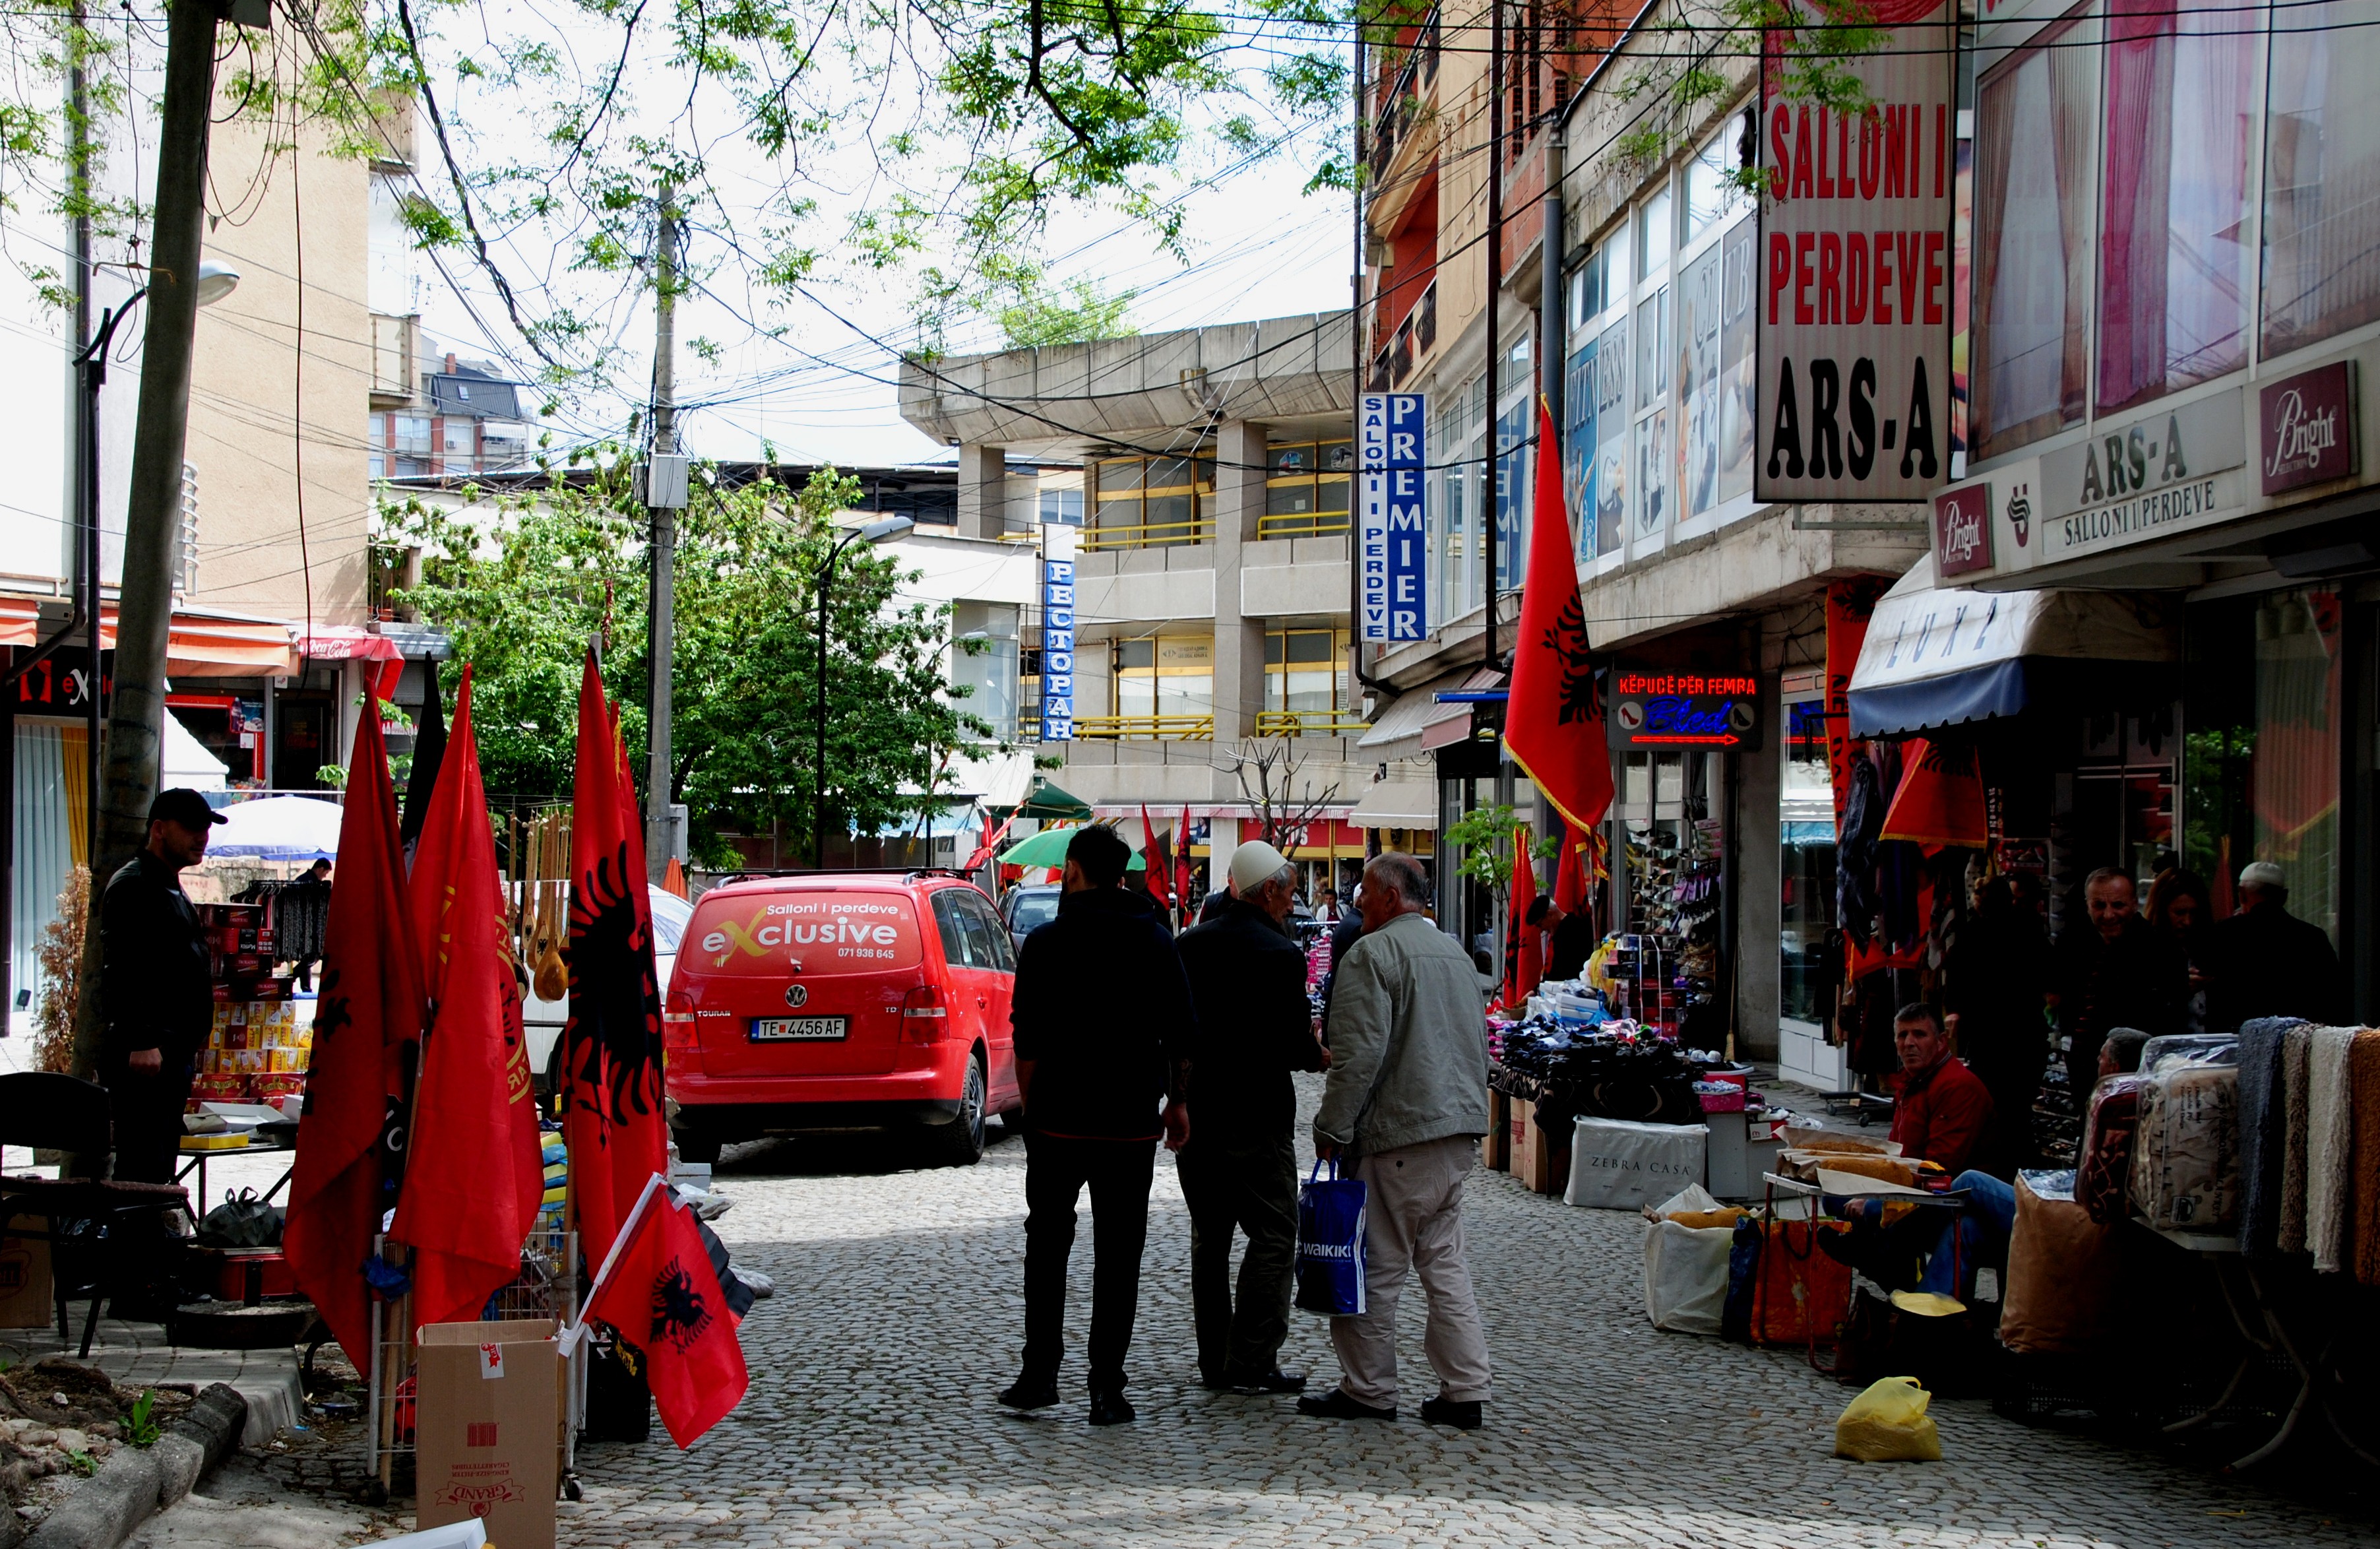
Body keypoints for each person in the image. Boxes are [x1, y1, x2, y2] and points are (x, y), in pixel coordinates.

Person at [1000, 825, 1195, 1426]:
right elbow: (1182, 1035)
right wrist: (1177, 1102)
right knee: (1120, 1254)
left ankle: (1039, 1375)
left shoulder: (1046, 943)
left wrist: (1032, 1105)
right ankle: (1108, 1388)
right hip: (1129, 1124)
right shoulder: (1156, 940)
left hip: (1058, 1121)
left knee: (1047, 1246)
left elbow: (1027, 1038)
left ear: (1075, 871)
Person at [1300, 852, 1493, 1430]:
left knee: (1377, 1267)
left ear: (1389, 895)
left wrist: (1330, 1129)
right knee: (1444, 1265)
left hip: (1399, 1135)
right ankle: (1465, 1389)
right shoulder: (1454, 953)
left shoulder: (1372, 954)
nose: (1356, 900)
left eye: (1364, 890)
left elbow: (1357, 1059)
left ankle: (1369, 1390)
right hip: (1453, 1133)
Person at [1174, 840, 1329, 1395]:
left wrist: (1176, 1099)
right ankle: (1250, 1360)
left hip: (1201, 1114)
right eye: (1289, 893)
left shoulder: (1190, 945)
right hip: (1258, 1118)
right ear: (1268, 892)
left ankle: (1216, 1361)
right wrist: (1318, 1056)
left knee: (1210, 1239)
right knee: (1275, 1233)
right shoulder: (1280, 954)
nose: (1292, 904)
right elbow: (1292, 1044)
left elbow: (1176, 1035)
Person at [98, 788, 225, 1183]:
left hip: (170, 1051)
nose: (202, 836)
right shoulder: (136, 884)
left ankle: (148, 1218)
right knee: (142, 1166)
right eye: (191, 827)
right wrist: (141, 1039)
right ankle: (135, 1223)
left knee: (157, 1166)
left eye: (206, 828)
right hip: (147, 1054)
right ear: (159, 829)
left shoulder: (166, 883)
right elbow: (123, 966)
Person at [1939, 876, 2052, 1174]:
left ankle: (2001, 1167)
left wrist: (1957, 1011)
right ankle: (2018, 1167)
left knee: (1996, 1106)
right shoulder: (2027, 928)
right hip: (2024, 1033)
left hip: (1990, 1034)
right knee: (2017, 1108)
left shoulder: (1973, 933)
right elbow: (2048, 974)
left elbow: (1957, 978)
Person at [2051, 868, 2185, 1094]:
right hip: (2082, 1069)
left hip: (2136, 1076)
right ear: (2087, 906)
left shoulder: (2161, 950)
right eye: (2099, 906)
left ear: (2134, 904)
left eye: (2118, 905)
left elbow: (2170, 1022)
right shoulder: (2072, 945)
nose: (2109, 915)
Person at [2201, 861, 2347, 1032]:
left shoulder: (2223, 934)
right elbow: (2334, 997)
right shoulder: (2312, 937)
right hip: (2297, 1038)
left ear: (2242, 894)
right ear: (2284, 896)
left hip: (2235, 1040)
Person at [1886, 1003, 1994, 1176]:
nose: (1909, 1043)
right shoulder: (1909, 1082)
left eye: (1919, 1034)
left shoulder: (1956, 1086)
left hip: (1949, 1187)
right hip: (1915, 1178)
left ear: (1941, 1042)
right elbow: (1895, 1150)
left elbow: (1940, 1166)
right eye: (1902, 1035)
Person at [1523, 895, 1594, 982]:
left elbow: (1563, 971)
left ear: (1550, 914)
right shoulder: (1560, 932)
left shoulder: (1575, 930)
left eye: (1540, 925)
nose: (1541, 930)